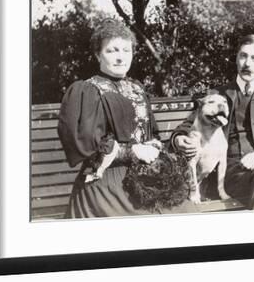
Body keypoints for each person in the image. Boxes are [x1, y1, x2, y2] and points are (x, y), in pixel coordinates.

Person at [58, 19, 195, 218]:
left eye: (126, 50)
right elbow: (86, 144)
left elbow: (151, 134)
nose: (121, 57)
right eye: (112, 51)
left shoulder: (137, 89)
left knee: (187, 213)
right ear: (98, 54)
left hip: (147, 175)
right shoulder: (88, 90)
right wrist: (132, 152)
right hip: (108, 179)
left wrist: (159, 146)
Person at [171, 34, 254, 210]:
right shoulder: (218, 95)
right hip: (233, 177)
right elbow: (187, 125)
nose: (247, 63)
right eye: (243, 56)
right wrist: (179, 139)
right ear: (236, 59)